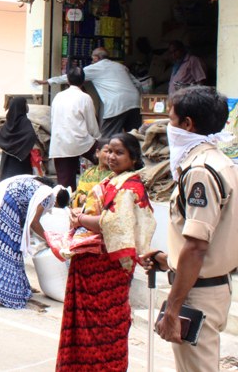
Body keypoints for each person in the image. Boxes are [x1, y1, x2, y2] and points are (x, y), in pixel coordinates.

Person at [139, 86, 238, 371]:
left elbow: (196, 247)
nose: (168, 127)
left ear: (187, 124)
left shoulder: (200, 171)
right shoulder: (222, 163)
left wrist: (172, 308)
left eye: (171, 119)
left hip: (198, 292)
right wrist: (169, 260)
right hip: (211, 285)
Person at [56, 133, 156, 370]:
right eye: (109, 151)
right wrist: (80, 215)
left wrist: (81, 219)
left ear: (133, 158)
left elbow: (112, 223)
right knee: (84, 326)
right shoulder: (110, 180)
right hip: (88, 264)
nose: (111, 156)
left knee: (106, 327)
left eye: (119, 153)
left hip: (107, 269)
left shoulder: (130, 187)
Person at [0, 175, 70, 309]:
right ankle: (6, 293)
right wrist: (49, 239)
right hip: (6, 207)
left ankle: (15, 286)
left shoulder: (38, 185)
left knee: (11, 249)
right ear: (57, 202)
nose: (51, 208)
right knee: (9, 251)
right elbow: (34, 223)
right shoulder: (48, 195)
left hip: (0, 204)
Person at [35, 47, 142, 138]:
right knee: (134, 135)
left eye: (92, 59)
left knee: (108, 138)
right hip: (135, 101)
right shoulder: (120, 66)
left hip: (117, 103)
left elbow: (71, 76)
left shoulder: (96, 68)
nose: (92, 61)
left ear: (96, 58)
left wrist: (46, 82)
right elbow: (138, 84)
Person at [48, 68, 101, 191]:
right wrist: (97, 138)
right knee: (105, 156)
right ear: (83, 81)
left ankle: (66, 200)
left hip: (59, 142)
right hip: (81, 141)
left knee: (65, 183)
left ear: (67, 80)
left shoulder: (58, 96)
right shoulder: (85, 97)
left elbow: (53, 119)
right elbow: (92, 124)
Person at [0, 97, 37, 182]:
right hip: (21, 163)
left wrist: (9, 147)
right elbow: (31, 136)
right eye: (25, 104)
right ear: (20, 106)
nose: (27, 106)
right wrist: (21, 148)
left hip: (6, 163)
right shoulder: (25, 122)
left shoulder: (8, 123)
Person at [69, 140, 111, 211]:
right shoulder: (88, 173)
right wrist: (80, 197)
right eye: (106, 151)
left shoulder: (115, 174)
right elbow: (78, 191)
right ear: (97, 153)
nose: (109, 155)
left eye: (112, 152)